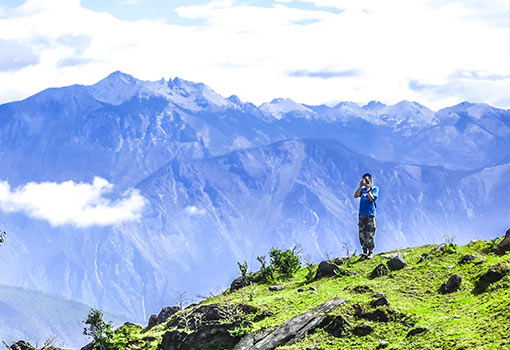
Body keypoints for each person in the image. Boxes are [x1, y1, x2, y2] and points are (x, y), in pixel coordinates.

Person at [354, 173, 379, 259]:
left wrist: (368, 189)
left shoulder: (375, 189)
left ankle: (370, 251)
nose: (366, 181)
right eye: (364, 179)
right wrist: (360, 186)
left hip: (370, 214)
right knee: (362, 233)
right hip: (361, 214)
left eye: (367, 179)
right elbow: (355, 195)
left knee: (370, 233)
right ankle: (364, 252)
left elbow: (371, 199)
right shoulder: (362, 190)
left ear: (371, 180)